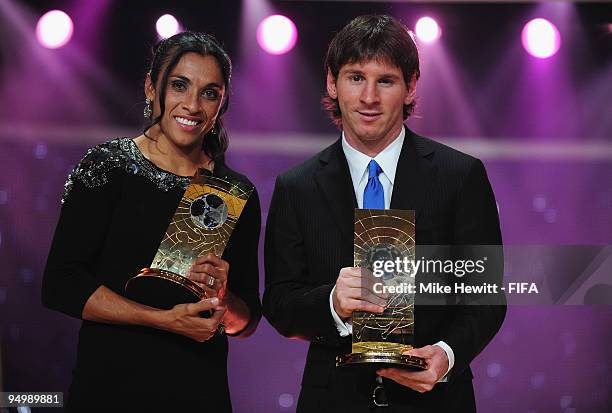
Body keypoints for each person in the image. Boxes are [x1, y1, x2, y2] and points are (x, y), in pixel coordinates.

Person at [263, 15, 505, 412]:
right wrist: (332, 304)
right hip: (333, 399)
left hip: (437, 399)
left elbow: (486, 295)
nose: (369, 97)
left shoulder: (461, 176)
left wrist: (446, 354)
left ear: (411, 87)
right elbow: (278, 302)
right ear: (332, 83)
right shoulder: (297, 186)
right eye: (356, 77)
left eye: (386, 81)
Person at [42, 32, 261, 411]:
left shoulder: (232, 190)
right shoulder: (108, 166)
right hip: (110, 390)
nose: (192, 105)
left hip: (198, 393)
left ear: (222, 104)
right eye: (179, 86)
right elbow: (61, 283)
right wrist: (163, 320)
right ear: (150, 87)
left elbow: (246, 322)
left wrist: (224, 298)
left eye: (209, 93)